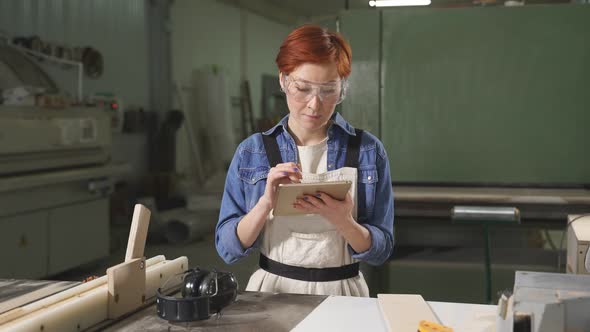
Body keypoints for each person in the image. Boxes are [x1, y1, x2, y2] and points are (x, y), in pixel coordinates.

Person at [215, 24, 394, 297]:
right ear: (283, 80)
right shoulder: (252, 152)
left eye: (328, 90)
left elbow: (382, 250)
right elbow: (227, 248)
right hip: (272, 292)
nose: (314, 104)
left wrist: (343, 220)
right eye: (302, 88)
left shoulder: (368, 150)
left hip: (343, 294)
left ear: (342, 88)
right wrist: (265, 205)